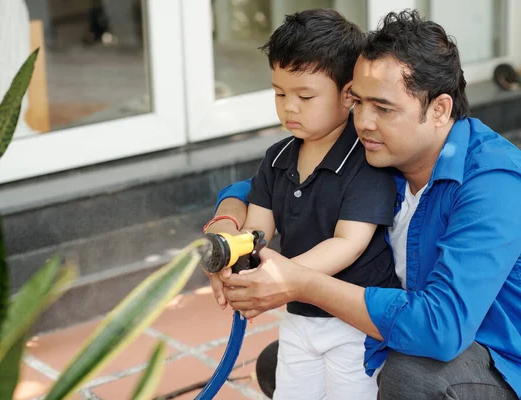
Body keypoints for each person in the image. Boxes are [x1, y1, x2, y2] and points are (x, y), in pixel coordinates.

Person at [205, 9, 521, 400]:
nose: (364, 122)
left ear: (439, 109)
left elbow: (441, 327)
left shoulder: (495, 183)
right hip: (409, 335)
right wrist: (226, 225)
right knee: (284, 362)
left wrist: (300, 282)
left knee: (413, 377)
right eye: (359, 102)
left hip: (497, 364)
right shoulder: (384, 152)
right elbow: (263, 185)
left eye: (384, 109)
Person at [209, 8, 400, 400]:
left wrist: (283, 278)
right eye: (279, 93)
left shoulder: (364, 160)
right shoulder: (278, 158)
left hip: (355, 323)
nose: (289, 107)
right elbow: (258, 231)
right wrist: (238, 259)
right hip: (299, 315)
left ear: (348, 95)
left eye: (305, 96)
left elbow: (349, 242)